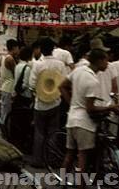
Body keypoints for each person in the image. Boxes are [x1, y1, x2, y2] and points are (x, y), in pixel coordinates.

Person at [59, 49, 119, 181]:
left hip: (72, 119)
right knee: (83, 157)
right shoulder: (93, 81)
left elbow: (62, 86)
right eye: (106, 60)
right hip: (84, 124)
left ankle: (62, 181)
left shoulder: (78, 71)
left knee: (70, 154)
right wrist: (111, 106)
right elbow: (90, 108)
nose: (108, 63)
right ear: (99, 61)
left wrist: (72, 103)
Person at [28, 37, 66, 167]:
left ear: (41, 50)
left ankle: (38, 160)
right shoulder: (60, 64)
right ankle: (51, 159)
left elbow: (32, 84)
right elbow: (64, 82)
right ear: (53, 49)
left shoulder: (38, 64)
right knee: (53, 132)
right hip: (55, 102)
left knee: (39, 132)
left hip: (40, 103)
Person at [0, 38, 19, 122]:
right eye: (17, 48)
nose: (18, 50)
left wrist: (2, 77)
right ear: (14, 48)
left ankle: (3, 130)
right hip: (9, 89)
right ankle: (4, 132)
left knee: (4, 111)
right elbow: (16, 74)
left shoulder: (3, 57)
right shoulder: (10, 59)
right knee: (6, 112)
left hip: (4, 87)